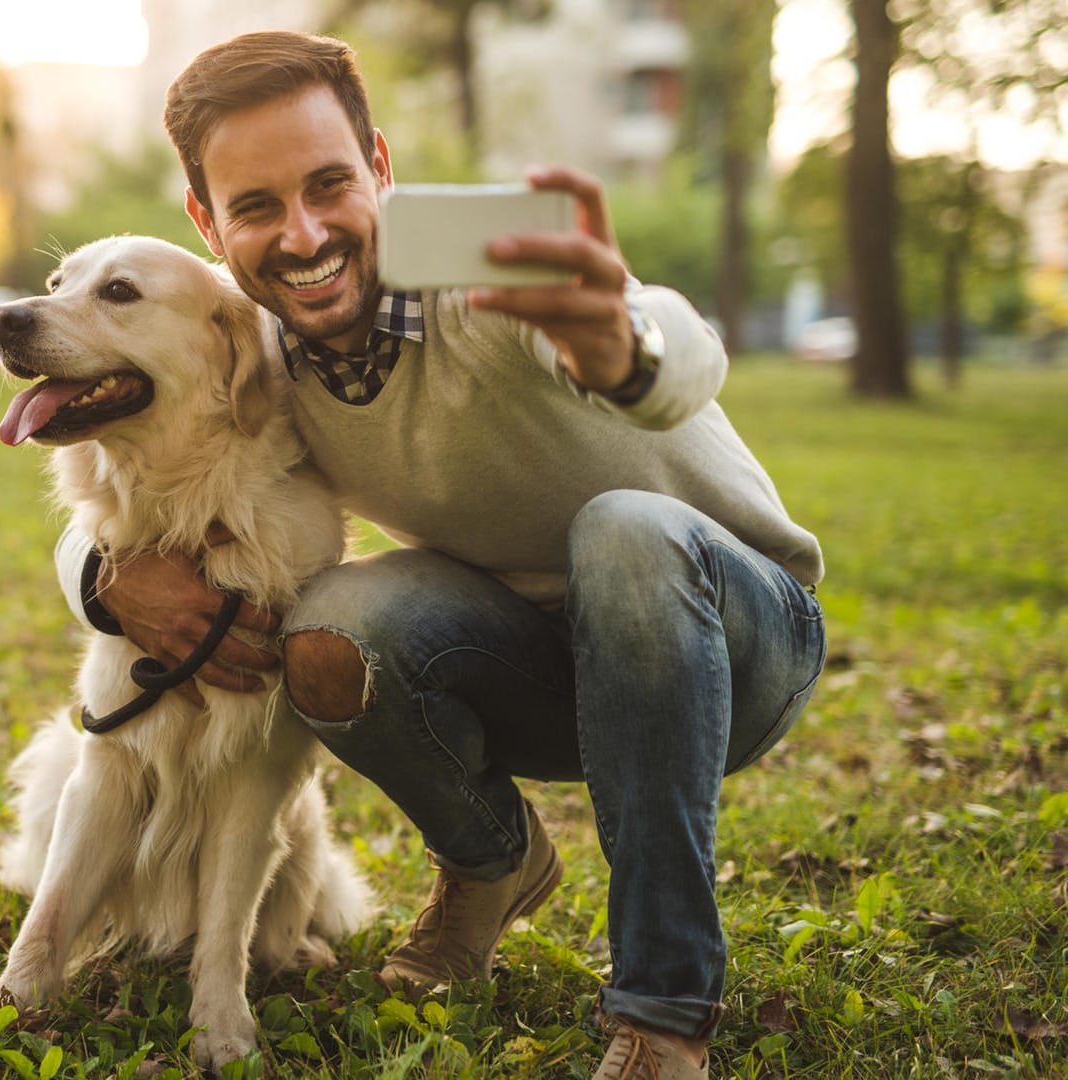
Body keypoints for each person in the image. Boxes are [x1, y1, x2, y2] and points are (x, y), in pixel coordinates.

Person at [47, 30, 826, 1079]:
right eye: (259, 205)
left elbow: (681, 342)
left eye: (330, 183)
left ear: (380, 167)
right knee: (333, 627)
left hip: (730, 640)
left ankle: (663, 1012)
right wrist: (106, 583)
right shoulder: (251, 351)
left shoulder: (485, 277)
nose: (305, 232)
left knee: (625, 529)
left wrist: (622, 348)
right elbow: (129, 495)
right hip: (529, 664)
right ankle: (493, 862)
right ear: (208, 221)